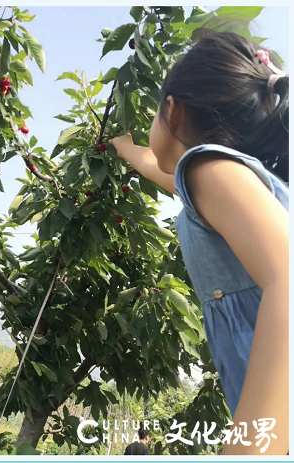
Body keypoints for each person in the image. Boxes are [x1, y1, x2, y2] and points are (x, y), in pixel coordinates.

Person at [110, 32, 288, 455]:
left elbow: (289, 279)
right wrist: (127, 150)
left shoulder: (208, 169)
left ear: (172, 111)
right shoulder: (224, 178)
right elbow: (160, 169)